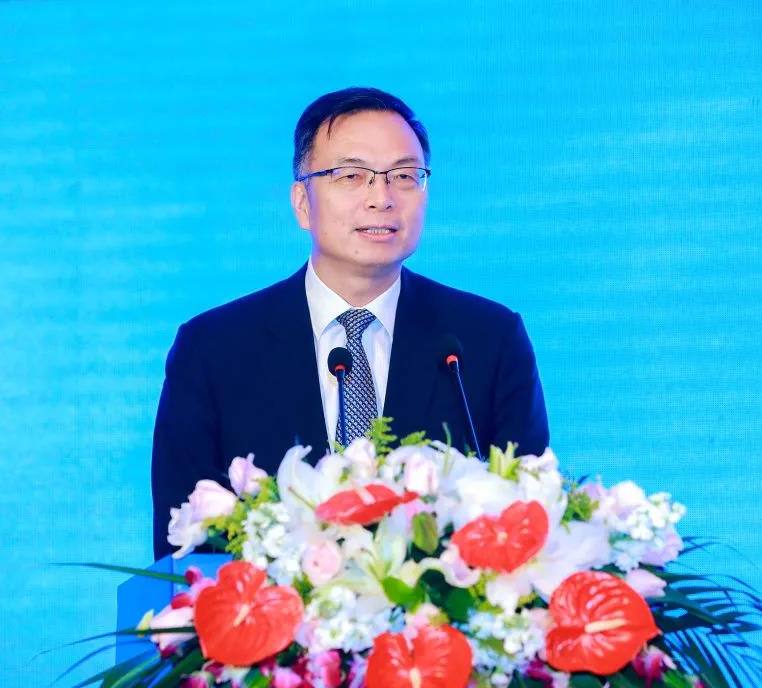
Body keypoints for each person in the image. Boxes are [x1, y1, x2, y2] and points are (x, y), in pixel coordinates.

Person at [151, 87, 548, 560]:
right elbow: (181, 556)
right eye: (351, 175)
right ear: (302, 203)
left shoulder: (487, 340)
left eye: (405, 176)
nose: (381, 198)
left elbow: (530, 524)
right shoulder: (214, 350)